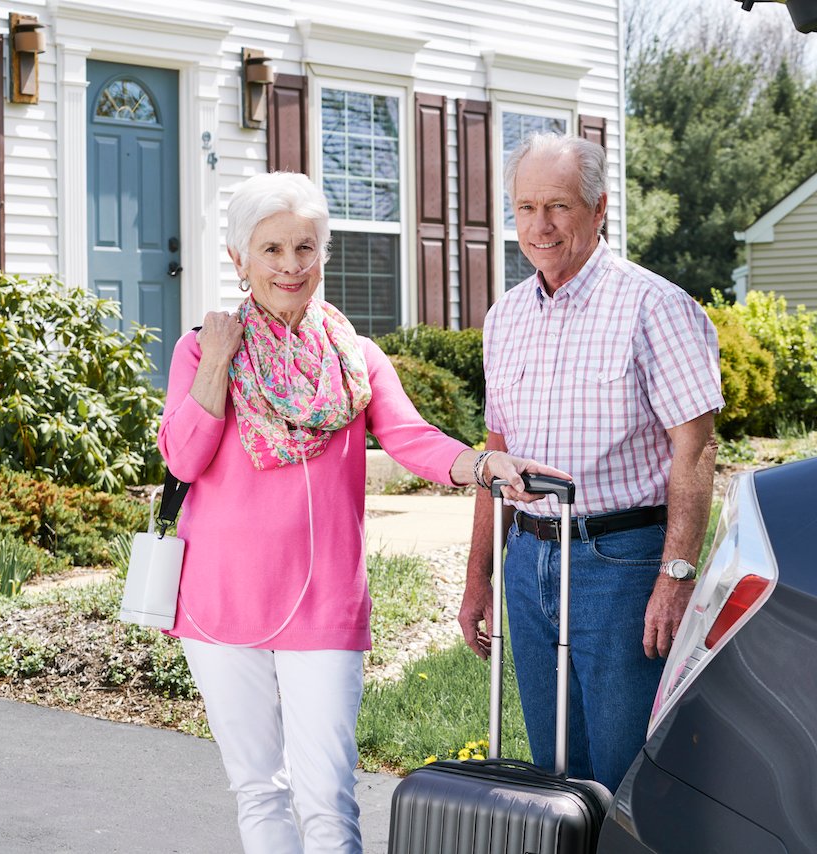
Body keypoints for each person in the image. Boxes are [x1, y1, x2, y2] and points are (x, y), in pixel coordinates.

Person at [157, 171, 565, 854]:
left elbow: (410, 437)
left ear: (325, 253)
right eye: (272, 250)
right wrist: (215, 365)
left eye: (306, 248)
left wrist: (481, 464)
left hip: (324, 603)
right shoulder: (203, 348)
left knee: (327, 800)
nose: (291, 266)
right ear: (238, 259)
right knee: (259, 791)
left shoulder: (355, 357)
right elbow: (181, 459)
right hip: (219, 601)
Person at [458, 134, 724, 794]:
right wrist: (477, 576)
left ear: (599, 208)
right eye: (525, 208)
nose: (540, 226)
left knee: (628, 772)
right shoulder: (504, 319)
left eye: (558, 206)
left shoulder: (655, 306)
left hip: (621, 564)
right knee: (555, 775)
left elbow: (697, 448)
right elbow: (494, 457)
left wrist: (677, 574)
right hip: (527, 562)